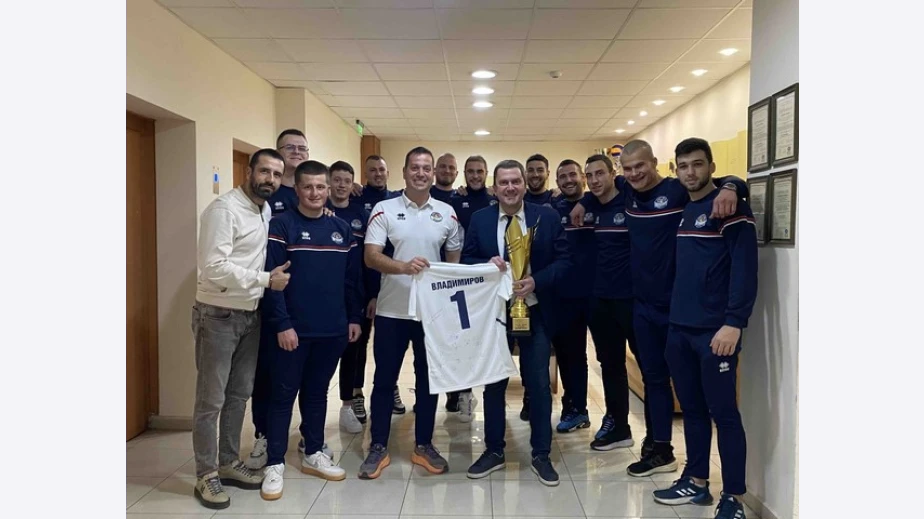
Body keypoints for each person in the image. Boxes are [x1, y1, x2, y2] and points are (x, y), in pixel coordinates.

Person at [568, 139, 748, 477]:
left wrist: (732, 186)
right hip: (643, 306)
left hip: (680, 309)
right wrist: (585, 200)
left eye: (641, 166)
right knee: (654, 380)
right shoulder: (627, 191)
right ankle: (659, 448)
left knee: (695, 395)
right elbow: (600, 187)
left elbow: (717, 182)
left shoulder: (677, 190)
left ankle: (706, 473)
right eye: (629, 168)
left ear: (655, 163)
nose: (635, 173)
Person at [652, 138, 757, 519]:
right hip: (679, 329)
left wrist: (734, 322)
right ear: (675, 170)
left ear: (711, 166)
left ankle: (734, 497)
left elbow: (745, 270)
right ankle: (696, 480)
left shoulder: (730, 208)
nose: (690, 172)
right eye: (683, 166)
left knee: (724, 414)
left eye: (697, 164)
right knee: (693, 410)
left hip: (715, 333)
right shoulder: (686, 206)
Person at [462, 159, 571, 487]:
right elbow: (466, 259)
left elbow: (565, 261)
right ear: (494, 188)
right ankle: (494, 450)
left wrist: (537, 280)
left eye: (515, 182)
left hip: (534, 311)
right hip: (495, 314)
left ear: (524, 185)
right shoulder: (480, 219)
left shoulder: (546, 217)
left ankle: (541, 453)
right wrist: (486, 263)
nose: (510, 188)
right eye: (503, 182)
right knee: (494, 383)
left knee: (538, 384)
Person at [191, 149, 289, 510]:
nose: (270, 179)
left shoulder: (264, 209)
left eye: (276, 174)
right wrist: (265, 280)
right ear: (249, 171)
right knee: (211, 400)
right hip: (218, 315)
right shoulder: (224, 210)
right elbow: (213, 267)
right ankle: (206, 474)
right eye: (264, 171)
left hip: (250, 314)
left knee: (239, 394)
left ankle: (228, 462)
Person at [259, 160, 363, 499]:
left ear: (329, 189)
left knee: (317, 393)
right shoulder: (282, 226)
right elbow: (273, 281)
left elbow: (351, 281)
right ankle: (275, 462)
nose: (315, 193)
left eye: (321, 187)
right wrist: (282, 324)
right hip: (292, 332)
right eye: (308, 187)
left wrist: (353, 318)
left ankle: (313, 451)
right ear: (297, 190)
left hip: (332, 330)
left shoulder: (342, 230)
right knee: (283, 395)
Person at [358, 146, 464, 479]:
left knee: (428, 380)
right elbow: (371, 256)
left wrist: (445, 289)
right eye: (414, 167)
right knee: (384, 380)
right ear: (404, 172)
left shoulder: (447, 213)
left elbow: (454, 260)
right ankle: (378, 446)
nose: (420, 173)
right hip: (392, 312)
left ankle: (424, 445)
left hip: (430, 314)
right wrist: (403, 267)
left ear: (433, 173)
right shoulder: (384, 209)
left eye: (426, 168)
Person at [580, 154, 650, 450]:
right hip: (600, 302)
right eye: (589, 176)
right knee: (610, 365)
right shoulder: (590, 206)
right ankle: (619, 427)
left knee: (649, 369)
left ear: (613, 174)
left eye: (600, 173)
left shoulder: (632, 200)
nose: (595, 180)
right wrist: (585, 199)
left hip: (633, 301)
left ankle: (656, 439)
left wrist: (732, 186)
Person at [349, 155, 407, 416]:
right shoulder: (356, 199)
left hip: (390, 282)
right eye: (372, 170)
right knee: (359, 342)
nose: (377, 173)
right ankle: (356, 392)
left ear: (388, 172)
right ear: (366, 174)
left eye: (381, 169)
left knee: (389, 345)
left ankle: (390, 386)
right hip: (362, 282)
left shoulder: (396, 199)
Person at [443, 154, 497, 421]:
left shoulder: (495, 200)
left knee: (482, 341)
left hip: (487, 284)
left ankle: (477, 392)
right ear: (464, 174)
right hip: (458, 281)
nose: (475, 176)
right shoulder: (454, 201)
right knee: (458, 339)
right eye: (471, 171)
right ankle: (460, 392)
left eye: (480, 171)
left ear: (486, 173)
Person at [548, 160, 595, 434]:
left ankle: (614, 420)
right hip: (565, 296)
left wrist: (587, 201)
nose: (568, 180)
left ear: (583, 178)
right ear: (557, 182)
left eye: (572, 175)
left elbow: (621, 183)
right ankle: (575, 409)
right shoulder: (554, 211)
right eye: (562, 176)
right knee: (570, 356)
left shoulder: (597, 202)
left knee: (606, 361)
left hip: (599, 294)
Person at [327, 160, 373, 434]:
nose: (342, 185)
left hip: (356, 294)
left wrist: (372, 295)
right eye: (337, 180)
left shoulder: (361, 215)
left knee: (353, 351)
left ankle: (348, 404)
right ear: (329, 182)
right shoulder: (319, 211)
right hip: (325, 297)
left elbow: (369, 258)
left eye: (347, 180)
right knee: (323, 356)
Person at [267, 129, 308, 217]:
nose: (296, 152)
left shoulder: (315, 192)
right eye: (289, 147)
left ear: (307, 155)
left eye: (302, 148)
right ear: (277, 153)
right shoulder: (266, 189)